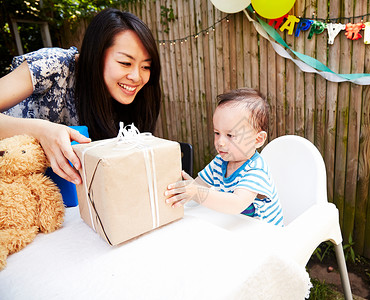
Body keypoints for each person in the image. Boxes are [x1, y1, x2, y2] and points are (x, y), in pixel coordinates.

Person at [0, 8, 161, 185]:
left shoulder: (133, 100)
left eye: (145, 66)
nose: (137, 77)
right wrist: (41, 130)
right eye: (125, 63)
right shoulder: (54, 65)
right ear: (96, 54)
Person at [165, 88, 284, 226]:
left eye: (230, 135)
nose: (220, 142)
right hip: (237, 226)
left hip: (267, 235)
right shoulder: (219, 162)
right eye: (217, 133)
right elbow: (197, 185)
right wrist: (185, 189)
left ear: (258, 140)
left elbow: (236, 203)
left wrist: (197, 192)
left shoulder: (256, 170)